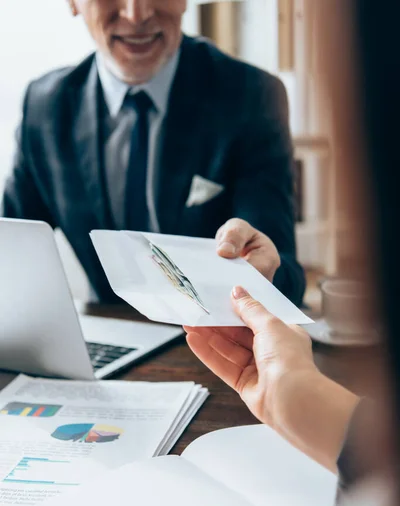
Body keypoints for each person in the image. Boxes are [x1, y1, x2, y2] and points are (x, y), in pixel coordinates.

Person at [183, 0, 400, 506]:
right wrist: (297, 401)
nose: (133, 11)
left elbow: (278, 247)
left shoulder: (248, 91)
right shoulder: (46, 101)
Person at [1, 0, 305, 305]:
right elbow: (10, 250)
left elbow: (285, 271)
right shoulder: (45, 106)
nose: (137, 14)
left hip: (213, 341)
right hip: (108, 331)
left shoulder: (252, 96)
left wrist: (263, 271)